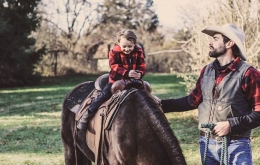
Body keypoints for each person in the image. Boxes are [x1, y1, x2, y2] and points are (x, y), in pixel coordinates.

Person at [157, 24, 260, 164]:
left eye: (215, 39)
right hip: (207, 143)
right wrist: (159, 105)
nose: (210, 43)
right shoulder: (207, 71)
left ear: (229, 43)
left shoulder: (249, 73)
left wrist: (231, 125)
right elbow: (192, 101)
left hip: (236, 145)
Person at [77, 29, 146, 130]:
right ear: (119, 43)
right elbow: (114, 65)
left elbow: (142, 65)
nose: (127, 49)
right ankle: (87, 115)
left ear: (134, 44)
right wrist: (126, 72)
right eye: (124, 46)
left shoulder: (138, 51)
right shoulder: (114, 52)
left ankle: (154, 116)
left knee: (146, 95)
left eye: (130, 46)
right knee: (103, 96)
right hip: (116, 80)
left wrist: (140, 73)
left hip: (133, 81)